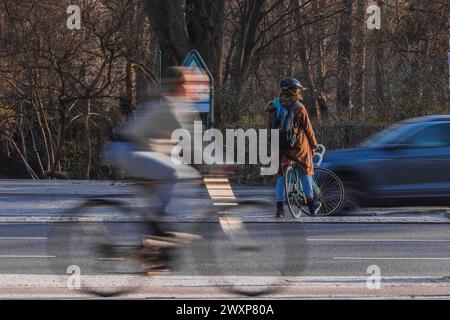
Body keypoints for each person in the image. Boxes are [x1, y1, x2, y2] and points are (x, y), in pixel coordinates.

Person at [104, 66, 208, 231]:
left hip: (137, 150)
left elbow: (198, 138)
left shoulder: (180, 106)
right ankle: (160, 226)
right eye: (189, 84)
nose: (195, 88)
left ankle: (151, 245)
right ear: (178, 86)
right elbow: (190, 140)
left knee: (157, 202)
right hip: (130, 150)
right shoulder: (169, 107)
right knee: (180, 175)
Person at [266, 77, 322, 218]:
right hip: (298, 148)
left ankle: (279, 210)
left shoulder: (273, 107)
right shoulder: (299, 107)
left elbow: (270, 127)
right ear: (295, 91)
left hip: (280, 147)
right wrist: (314, 145)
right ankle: (311, 205)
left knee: (281, 177)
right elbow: (308, 129)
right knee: (305, 172)